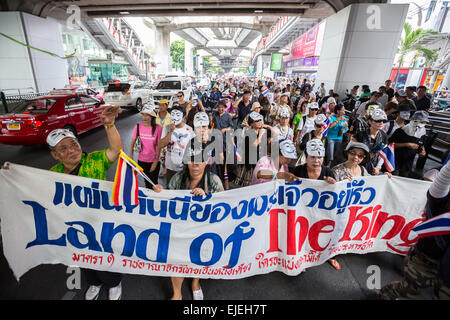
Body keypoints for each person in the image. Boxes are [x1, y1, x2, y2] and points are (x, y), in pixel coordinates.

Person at [47, 105, 124, 300]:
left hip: (101, 224)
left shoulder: (95, 160)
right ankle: (95, 282)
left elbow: (116, 150)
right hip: (75, 227)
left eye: (73, 144)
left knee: (104, 256)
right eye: (63, 148)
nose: (72, 150)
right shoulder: (52, 174)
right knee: (84, 258)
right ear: (55, 155)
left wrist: (109, 125)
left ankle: (114, 283)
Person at [379, 161, 450, 300]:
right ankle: (385, 295)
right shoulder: (441, 197)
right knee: (409, 290)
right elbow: (444, 178)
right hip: (427, 261)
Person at [167, 139, 225, 300]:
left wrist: (206, 199)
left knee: (199, 257)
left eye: (200, 160)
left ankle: (195, 282)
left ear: (207, 161)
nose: (195, 164)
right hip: (180, 229)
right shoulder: (177, 179)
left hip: (203, 231)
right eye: (192, 159)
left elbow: (224, 210)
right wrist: (158, 193)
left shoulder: (214, 182)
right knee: (176, 259)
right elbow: (167, 204)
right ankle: (177, 293)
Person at [291, 139, 339, 269]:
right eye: (312, 157)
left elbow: (336, 193)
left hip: (321, 211)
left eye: (320, 157)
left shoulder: (328, 172)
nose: (316, 161)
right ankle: (300, 259)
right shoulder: (297, 170)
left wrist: (333, 184)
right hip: (302, 211)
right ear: (306, 157)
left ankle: (329, 256)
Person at [158, 106, 196, 186]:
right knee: (171, 187)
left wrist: (188, 164)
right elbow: (161, 144)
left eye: (178, 115)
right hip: (170, 167)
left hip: (184, 167)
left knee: (183, 188)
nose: (175, 117)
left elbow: (193, 148)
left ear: (183, 117)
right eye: (173, 115)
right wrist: (171, 131)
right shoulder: (166, 128)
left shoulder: (189, 130)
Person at [129, 104, 162, 189]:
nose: (145, 117)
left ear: (152, 117)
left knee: (154, 184)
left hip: (154, 161)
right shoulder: (138, 127)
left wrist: (155, 162)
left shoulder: (158, 128)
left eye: (147, 115)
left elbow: (159, 146)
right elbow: (132, 143)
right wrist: (131, 158)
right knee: (146, 183)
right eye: (143, 114)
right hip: (142, 160)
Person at [389, 111, 428, 177]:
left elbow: (421, 145)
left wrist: (423, 152)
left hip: (407, 165)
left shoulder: (423, 134)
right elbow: (390, 144)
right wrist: (407, 144)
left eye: (422, 122)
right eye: (416, 121)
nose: (419, 124)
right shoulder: (400, 131)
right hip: (395, 162)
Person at [233, 111, 266, 187]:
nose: (259, 122)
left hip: (257, 159)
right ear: (251, 123)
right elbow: (254, 144)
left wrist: (268, 127)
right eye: (257, 121)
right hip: (249, 162)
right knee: (247, 184)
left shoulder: (260, 131)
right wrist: (260, 135)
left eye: (260, 120)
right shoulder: (250, 132)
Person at [353, 109, 389, 175]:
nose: (381, 123)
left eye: (384, 121)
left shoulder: (384, 136)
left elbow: (383, 154)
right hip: (358, 166)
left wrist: (378, 168)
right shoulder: (360, 135)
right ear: (370, 121)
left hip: (374, 168)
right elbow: (351, 153)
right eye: (378, 120)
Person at [155, 99, 171, 178]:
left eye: (163, 105)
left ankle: (168, 170)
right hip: (158, 140)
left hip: (168, 140)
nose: (160, 107)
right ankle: (164, 168)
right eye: (159, 105)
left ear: (167, 106)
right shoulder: (155, 116)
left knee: (168, 156)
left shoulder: (170, 117)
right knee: (161, 157)